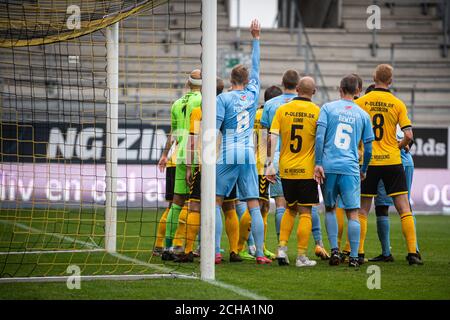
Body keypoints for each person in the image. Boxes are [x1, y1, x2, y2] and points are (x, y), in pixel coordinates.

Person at [215, 19, 272, 265]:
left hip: (228, 151)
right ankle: (259, 253)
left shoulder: (223, 99)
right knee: (254, 206)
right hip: (249, 153)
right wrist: (256, 38)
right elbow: (257, 66)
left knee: (215, 202)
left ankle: (215, 252)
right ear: (247, 81)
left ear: (230, 79)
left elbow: (214, 129)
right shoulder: (252, 93)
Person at [355, 64, 423, 265]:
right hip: (393, 160)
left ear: (373, 78)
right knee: (403, 207)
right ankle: (413, 253)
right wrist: (398, 146)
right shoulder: (397, 103)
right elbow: (409, 135)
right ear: (390, 81)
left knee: (363, 210)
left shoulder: (362, 102)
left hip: (371, 161)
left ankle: (358, 253)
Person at [261, 70, 329, 260]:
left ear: (297, 89)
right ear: (314, 92)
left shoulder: (282, 110)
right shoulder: (318, 111)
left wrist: (269, 165)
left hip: (286, 169)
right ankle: (301, 256)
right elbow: (322, 140)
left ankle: (281, 249)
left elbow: (271, 137)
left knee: (289, 209)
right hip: (306, 170)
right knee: (306, 212)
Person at [175, 78, 243, 263]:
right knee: (229, 208)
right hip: (228, 161)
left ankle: (188, 250)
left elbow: (192, 139)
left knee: (195, 206)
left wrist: (189, 166)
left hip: (205, 162)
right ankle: (234, 251)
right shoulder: (231, 108)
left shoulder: (200, 111)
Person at [314, 74, 374, 268]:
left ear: (339, 89)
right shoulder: (363, 115)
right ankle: (355, 257)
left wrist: (318, 163)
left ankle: (334, 251)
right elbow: (369, 147)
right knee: (353, 214)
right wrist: (363, 169)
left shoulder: (327, 108)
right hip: (350, 168)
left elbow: (319, 138)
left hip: (329, 167)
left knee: (330, 209)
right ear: (358, 92)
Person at [159, 69, 202, 260]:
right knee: (198, 204)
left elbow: (173, 133)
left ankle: (167, 247)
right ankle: (196, 247)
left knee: (175, 204)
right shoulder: (203, 100)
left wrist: (164, 154)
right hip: (197, 154)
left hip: (178, 155)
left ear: (188, 83)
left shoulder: (177, 103)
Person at [236, 85, 282, 261]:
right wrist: (268, 165)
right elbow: (267, 142)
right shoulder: (267, 116)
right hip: (261, 164)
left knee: (261, 206)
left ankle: (258, 246)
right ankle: (240, 247)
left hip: (249, 162)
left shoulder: (253, 114)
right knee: (257, 205)